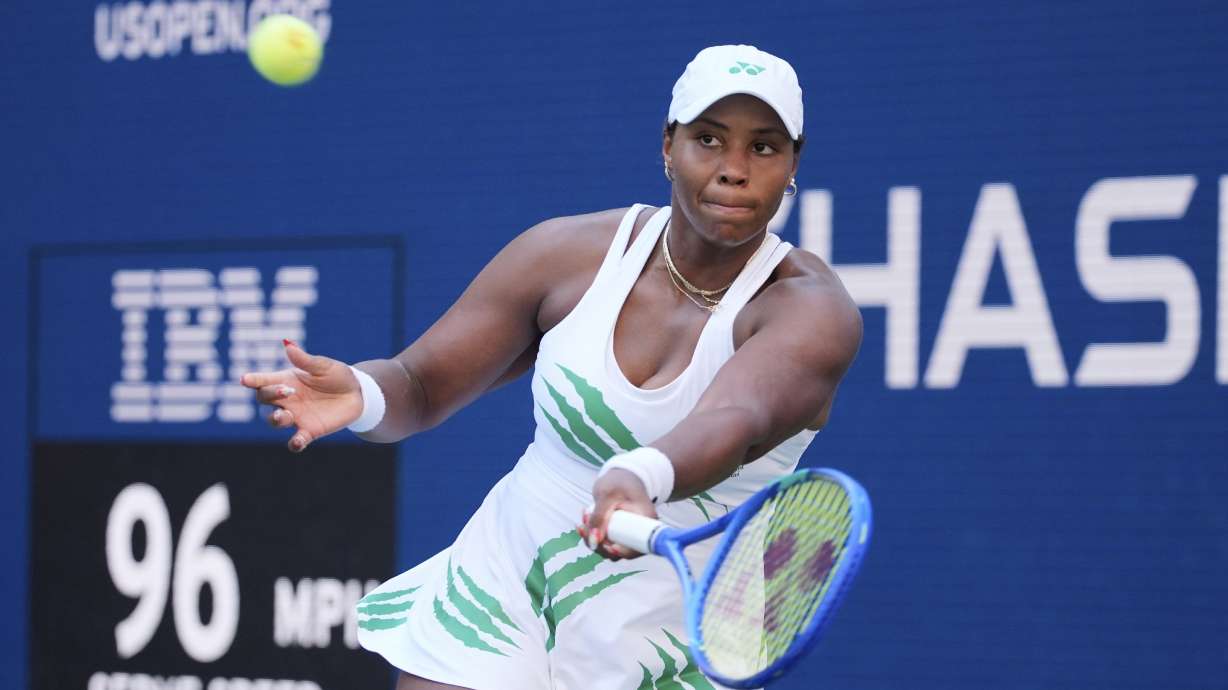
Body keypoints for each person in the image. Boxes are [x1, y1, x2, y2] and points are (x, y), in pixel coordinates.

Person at [241, 44, 862, 690]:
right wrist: (365, 394)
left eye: (763, 148)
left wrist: (637, 474)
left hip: (676, 626)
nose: (734, 169)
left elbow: (739, 416)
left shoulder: (813, 311)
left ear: (793, 164)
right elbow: (421, 385)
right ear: (668, 146)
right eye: (709, 139)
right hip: (510, 577)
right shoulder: (567, 256)